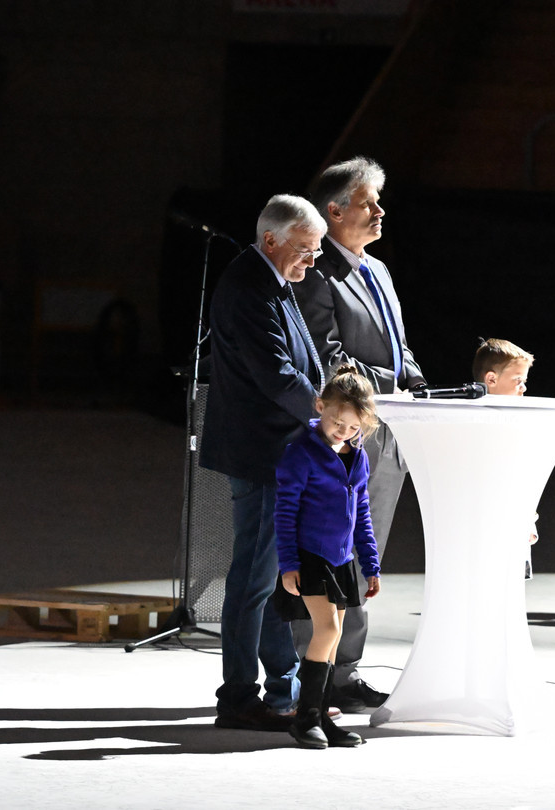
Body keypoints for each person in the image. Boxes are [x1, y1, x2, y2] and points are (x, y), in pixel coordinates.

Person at [294, 156, 427, 712]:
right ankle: (312, 678)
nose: (379, 211)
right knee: (330, 555)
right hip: (346, 438)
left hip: (389, 431)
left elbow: (398, 345)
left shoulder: (379, 269)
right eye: (367, 202)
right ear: (334, 210)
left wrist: (417, 382)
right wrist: (394, 384)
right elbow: (331, 360)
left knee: (362, 561)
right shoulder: (318, 273)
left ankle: (344, 675)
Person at [199, 194, 327, 731]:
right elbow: (276, 375)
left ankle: (284, 692)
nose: (312, 261)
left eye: (317, 250)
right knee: (253, 580)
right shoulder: (248, 286)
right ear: (271, 239)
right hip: (262, 454)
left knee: (275, 580)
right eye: (305, 249)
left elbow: (302, 362)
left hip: (280, 450)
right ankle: (237, 698)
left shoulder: (272, 278)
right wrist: (330, 415)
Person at [273, 364, 382, 748]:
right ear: (320, 406)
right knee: (328, 631)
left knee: (333, 640)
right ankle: (305, 719)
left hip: (341, 560)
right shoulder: (300, 454)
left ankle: (321, 717)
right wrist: (289, 564)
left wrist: (370, 563)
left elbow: (362, 513)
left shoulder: (357, 456)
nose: (344, 431)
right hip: (310, 558)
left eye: (353, 427)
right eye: (338, 422)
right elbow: (284, 513)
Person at [472, 338, 538, 576]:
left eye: (524, 381)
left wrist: (529, 520)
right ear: (491, 379)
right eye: (518, 380)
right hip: (482, 527)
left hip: (513, 527)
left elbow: (521, 479)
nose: (523, 388)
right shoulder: (471, 423)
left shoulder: (518, 424)